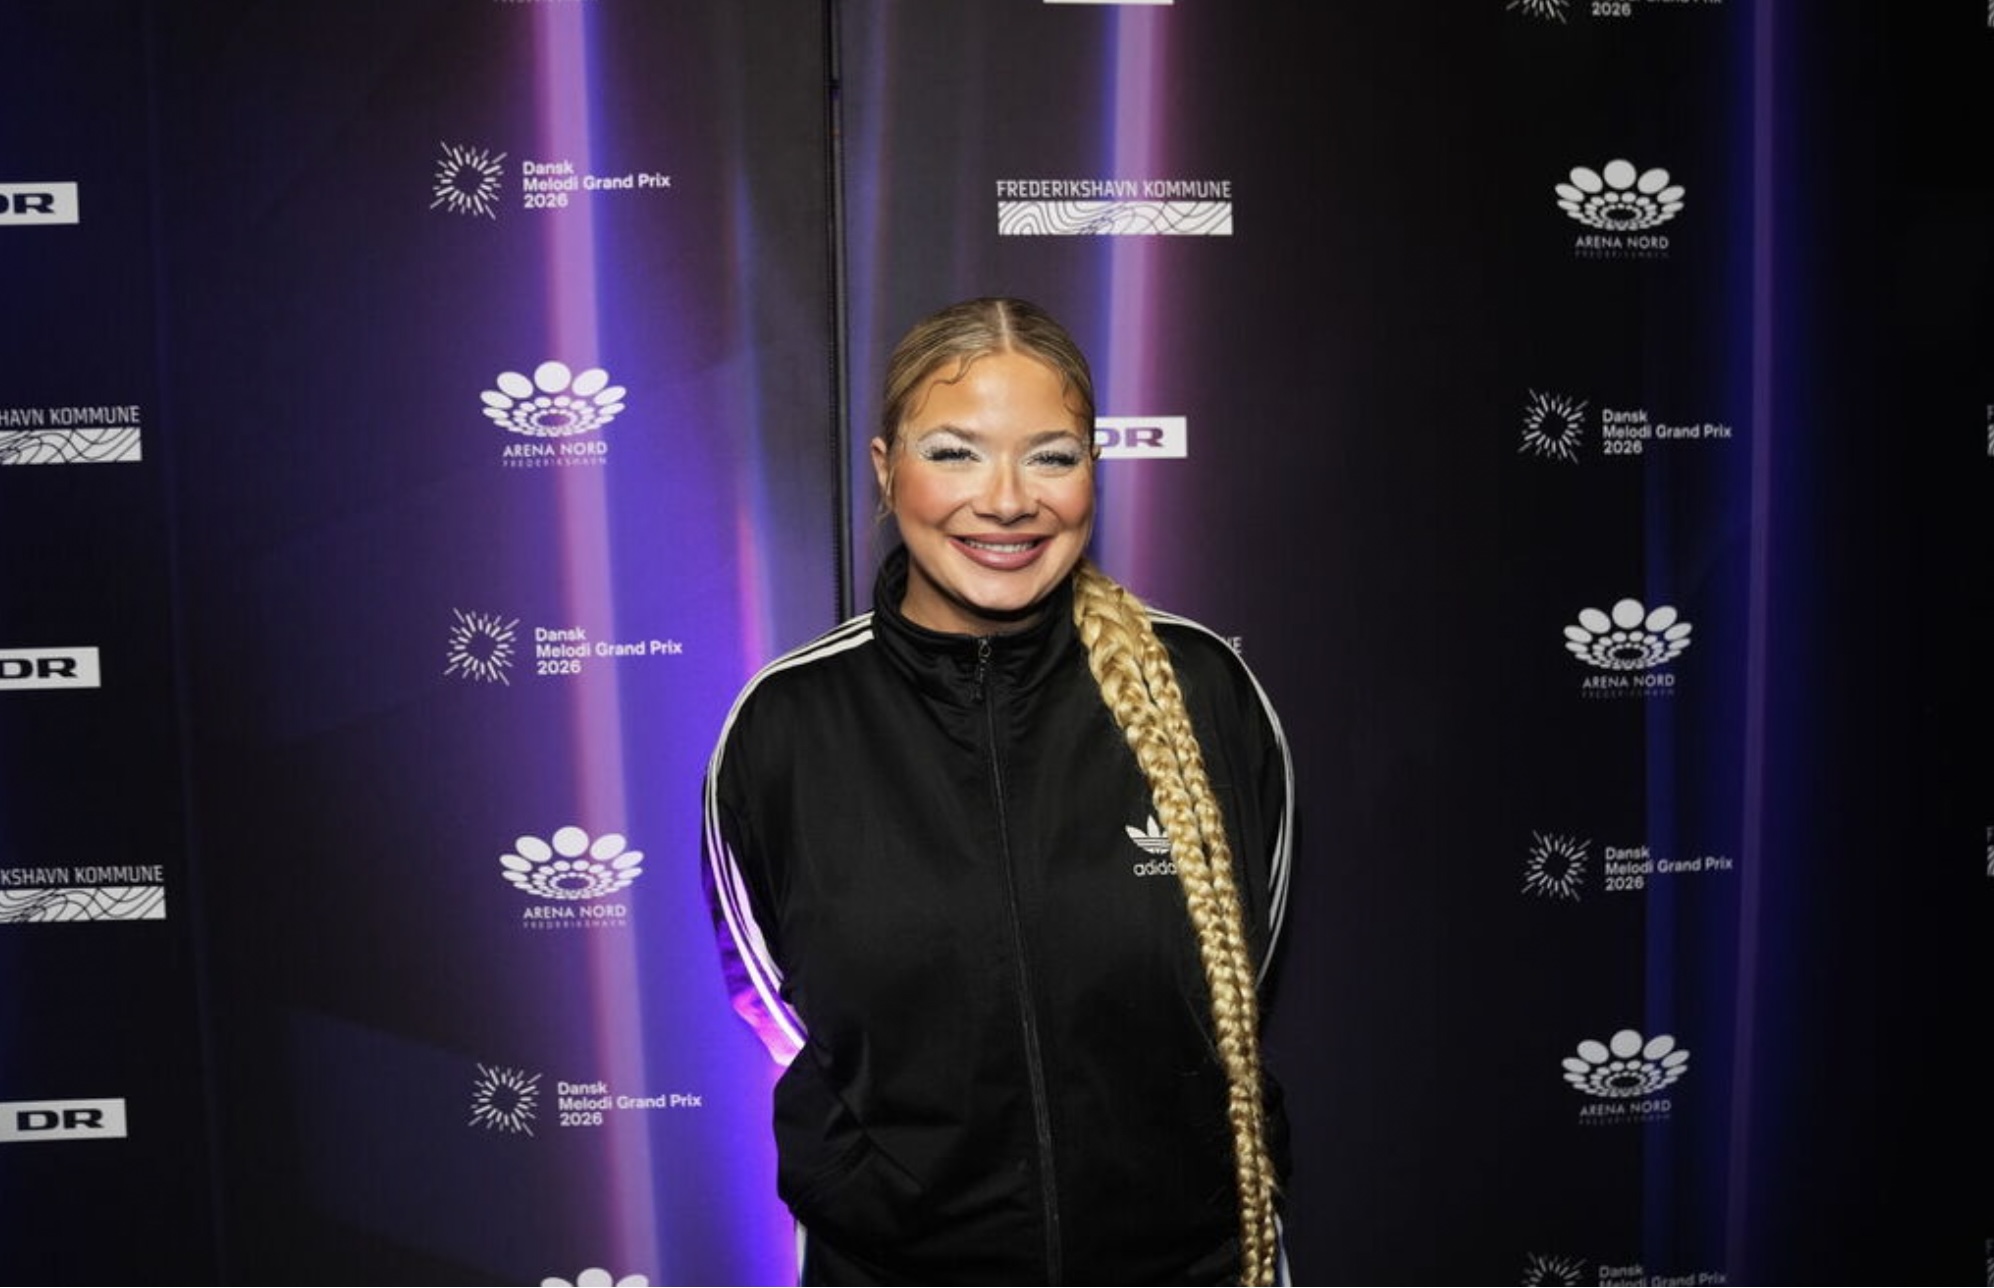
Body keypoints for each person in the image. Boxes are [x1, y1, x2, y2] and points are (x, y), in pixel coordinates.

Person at [702, 297, 1294, 1286]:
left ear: (1093, 470)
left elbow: (1247, 965)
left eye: (1050, 456)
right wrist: (879, 1186)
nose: (1009, 500)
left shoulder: (1204, 692)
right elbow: (772, 999)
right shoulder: (786, 724)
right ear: (886, 469)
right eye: (955, 452)